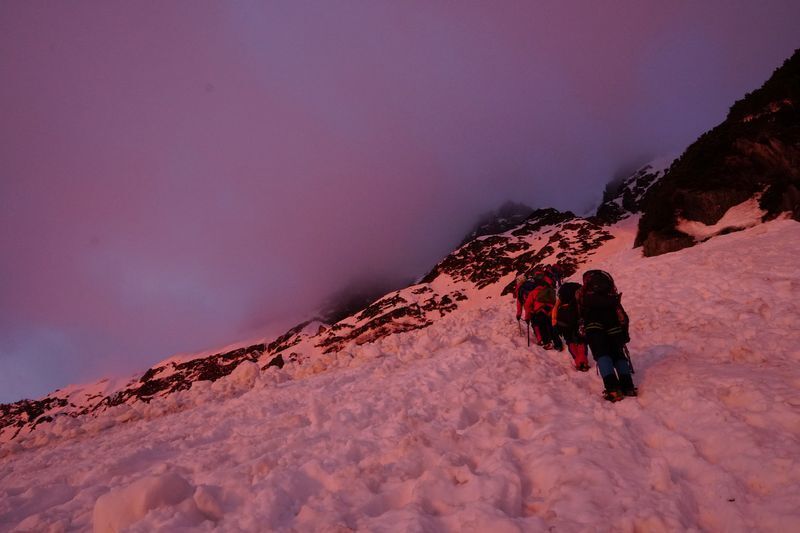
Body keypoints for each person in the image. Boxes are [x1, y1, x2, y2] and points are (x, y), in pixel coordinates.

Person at [577, 270, 636, 401]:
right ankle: (629, 387)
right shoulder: (610, 294)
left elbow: (580, 315)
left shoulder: (583, 294)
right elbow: (622, 315)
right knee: (618, 354)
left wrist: (583, 334)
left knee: (602, 355)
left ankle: (613, 390)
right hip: (614, 327)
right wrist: (624, 334)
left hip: (594, 328)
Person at [516, 271, 562, 350]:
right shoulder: (543, 289)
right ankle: (558, 344)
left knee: (541, 327)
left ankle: (545, 342)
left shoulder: (529, 292)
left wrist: (525, 316)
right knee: (551, 327)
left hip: (538, 311)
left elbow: (526, 305)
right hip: (550, 310)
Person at [552, 281, 590, 371]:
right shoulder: (579, 293)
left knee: (569, 340)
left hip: (563, 320)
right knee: (581, 340)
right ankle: (583, 362)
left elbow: (556, 308)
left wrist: (554, 322)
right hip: (577, 318)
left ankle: (577, 361)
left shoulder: (562, 295)